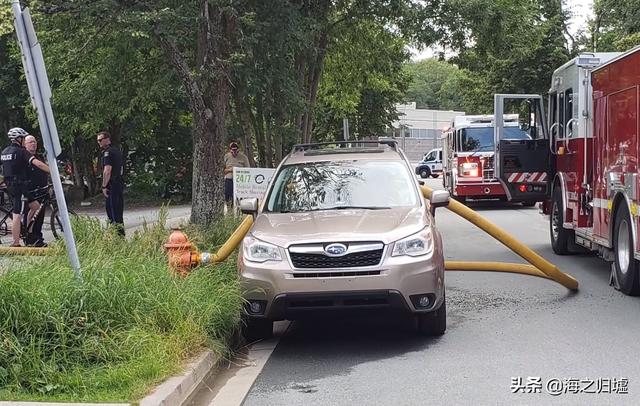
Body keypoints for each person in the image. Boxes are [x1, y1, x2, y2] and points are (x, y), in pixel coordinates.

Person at [0, 128, 50, 247]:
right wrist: (52, 171)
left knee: (35, 206)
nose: (24, 141)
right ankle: (16, 242)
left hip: (10, 184)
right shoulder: (21, 151)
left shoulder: (5, 152)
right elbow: (36, 163)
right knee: (18, 213)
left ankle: (26, 228)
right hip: (19, 186)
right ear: (19, 139)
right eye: (23, 138)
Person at [21, 135, 48, 247]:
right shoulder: (24, 157)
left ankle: (38, 237)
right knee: (30, 214)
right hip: (30, 191)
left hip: (41, 190)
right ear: (25, 144)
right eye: (31, 142)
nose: (33, 144)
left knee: (40, 216)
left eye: (35, 142)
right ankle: (28, 237)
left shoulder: (39, 157)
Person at [97, 131, 125, 236]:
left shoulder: (107, 153)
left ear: (107, 139)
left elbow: (107, 171)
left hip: (112, 185)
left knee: (113, 212)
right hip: (119, 183)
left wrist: (104, 186)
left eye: (100, 140)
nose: (99, 142)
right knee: (118, 211)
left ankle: (118, 237)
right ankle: (119, 235)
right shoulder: (116, 151)